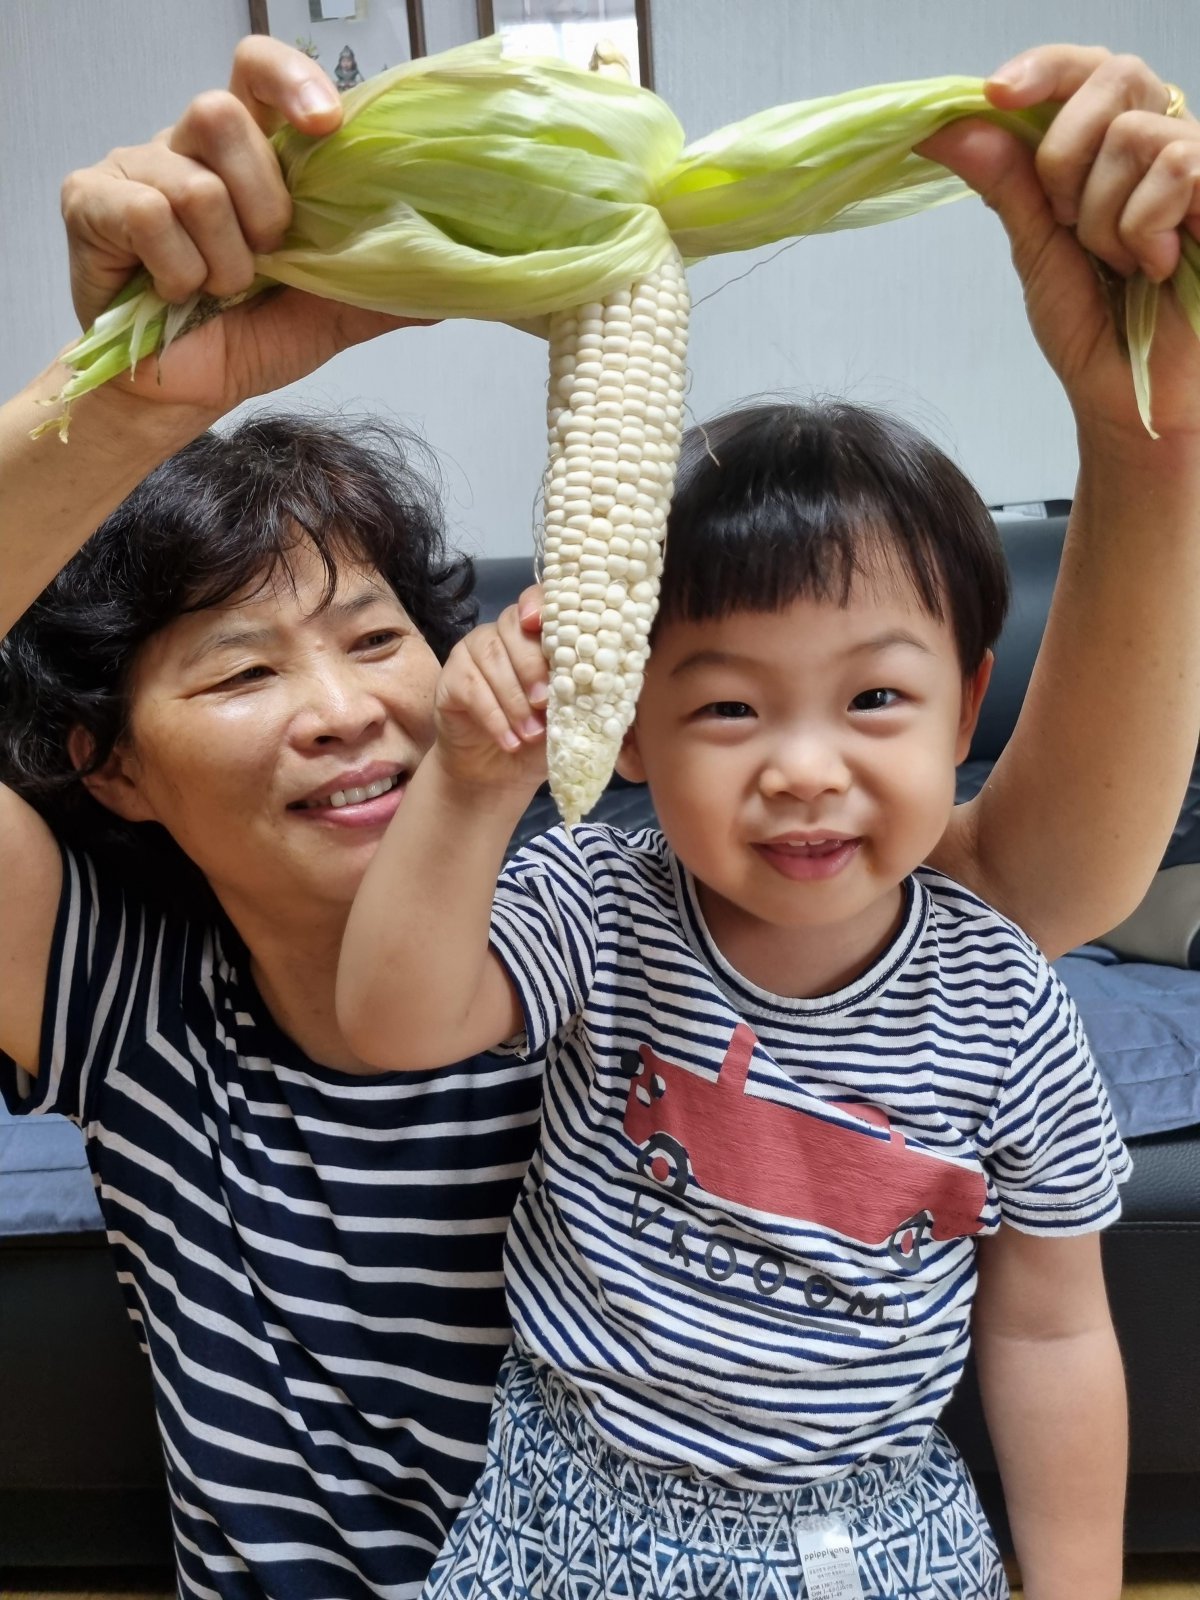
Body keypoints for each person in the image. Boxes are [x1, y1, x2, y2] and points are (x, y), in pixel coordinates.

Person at [3, 30, 1200, 1599]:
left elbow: (1020, 887)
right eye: (239, 672)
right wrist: (127, 413)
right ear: (111, 764)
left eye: (377, 639)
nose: (347, 707)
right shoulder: (115, 988)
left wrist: (1147, 432)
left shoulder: (637, 892)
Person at [336, 397, 1131, 1599]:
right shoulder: (594, 902)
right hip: (575, 1492)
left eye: (873, 700)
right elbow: (392, 1022)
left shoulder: (1007, 999)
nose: (805, 769)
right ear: (633, 727)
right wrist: (468, 779)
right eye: (728, 707)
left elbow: (1053, 1328)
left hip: (867, 1519)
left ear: (966, 709)